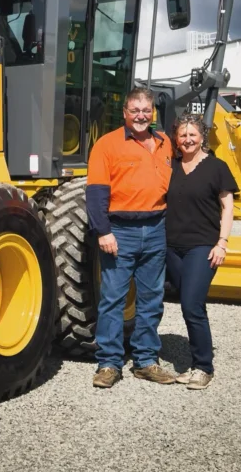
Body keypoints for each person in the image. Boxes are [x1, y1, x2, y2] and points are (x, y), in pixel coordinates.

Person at [87, 86, 175, 388]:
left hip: (155, 229)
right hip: (119, 231)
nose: (140, 115)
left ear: (153, 113)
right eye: (134, 110)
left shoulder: (165, 144)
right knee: (113, 299)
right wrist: (103, 231)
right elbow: (96, 192)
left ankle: (146, 360)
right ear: (125, 113)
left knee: (151, 299)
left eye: (145, 110)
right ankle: (109, 363)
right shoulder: (107, 145)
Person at [165, 112, 237, 390]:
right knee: (187, 304)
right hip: (172, 247)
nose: (187, 139)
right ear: (176, 138)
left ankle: (204, 367)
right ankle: (194, 364)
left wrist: (222, 242)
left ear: (202, 136)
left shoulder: (216, 167)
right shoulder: (171, 165)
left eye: (192, 134)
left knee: (192, 305)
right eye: (182, 135)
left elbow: (227, 207)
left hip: (203, 247)